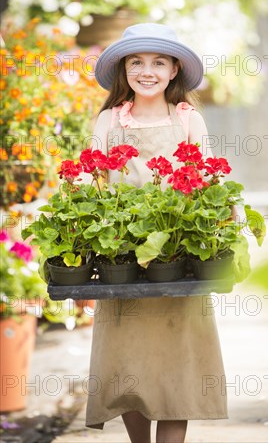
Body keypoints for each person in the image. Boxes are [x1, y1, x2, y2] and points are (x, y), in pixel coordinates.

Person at [85, 23, 228, 443]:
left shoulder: (188, 119)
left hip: (177, 258)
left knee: (176, 369)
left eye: (158, 62)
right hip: (123, 260)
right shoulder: (110, 120)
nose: (147, 71)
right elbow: (94, 184)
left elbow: (208, 184)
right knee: (127, 365)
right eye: (136, 62)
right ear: (123, 70)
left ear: (174, 70)